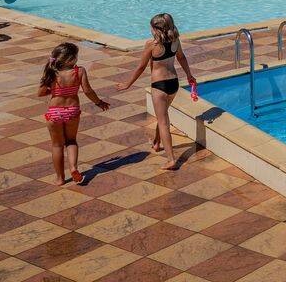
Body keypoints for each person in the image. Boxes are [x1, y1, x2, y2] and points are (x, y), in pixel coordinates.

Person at [116, 13, 196, 171]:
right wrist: (189, 75)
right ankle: (157, 143)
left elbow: (141, 67)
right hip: (173, 83)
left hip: (159, 85)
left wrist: (128, 84)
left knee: (163, 122)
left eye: (151, 28)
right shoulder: (175, 41)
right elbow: (182, 58)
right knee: (163, 116)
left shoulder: (151, 45)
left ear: (156, 29)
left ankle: (171, 160)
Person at [38, 42, 110, 184]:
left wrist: (53, 90)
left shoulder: (52, 72)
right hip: (72, 111)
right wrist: (99, 102)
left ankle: (60, 179)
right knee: (71, 141)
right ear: (71, 58)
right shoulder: (79, 71)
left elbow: (40, 93)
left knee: (57, 145)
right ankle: (73, 168)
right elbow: (88, 91)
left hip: (54, 112)